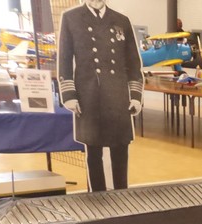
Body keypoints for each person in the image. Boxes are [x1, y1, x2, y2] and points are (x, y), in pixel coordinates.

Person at [58, 0, 144, 192]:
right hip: (88, 95)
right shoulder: (71, 18)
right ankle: (96, 198)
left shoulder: (121, 20)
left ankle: (121, 194)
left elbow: (133, 62)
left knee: (120, 148)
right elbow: (64, 59)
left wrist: (136, 96)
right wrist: (69, 95)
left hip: (117, 95)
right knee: (94, 151)